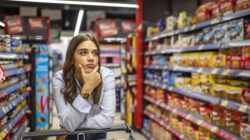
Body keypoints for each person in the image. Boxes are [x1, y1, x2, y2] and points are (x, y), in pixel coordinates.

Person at [52, 33, 116, 140]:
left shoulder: (106, 76)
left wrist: (70, 124)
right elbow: (67, 123)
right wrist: (88, 88)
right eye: (83, 53)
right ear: (72, 58)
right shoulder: (60, 79)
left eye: (95, 53)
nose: (91, 58)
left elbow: (107, 120)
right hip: (72, 136)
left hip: (98, 133)